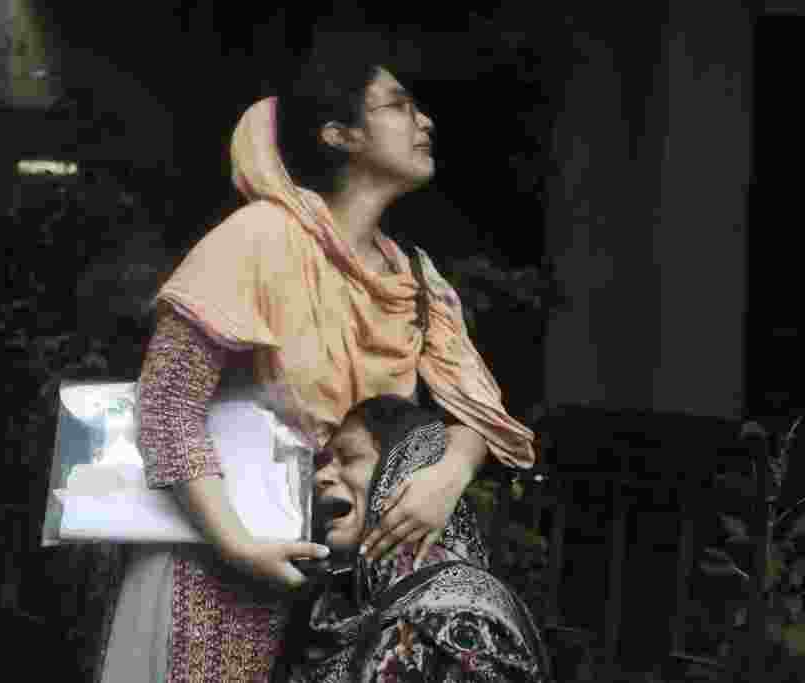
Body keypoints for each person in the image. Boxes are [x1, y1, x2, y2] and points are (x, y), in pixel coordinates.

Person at [98, 33, 539, 683]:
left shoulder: (414, 275)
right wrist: (239, 545)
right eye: (397, 106)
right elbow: (166, 403)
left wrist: (448, 476)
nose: (425, 120)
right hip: (220, 569)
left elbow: (476, 410)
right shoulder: (260, 238)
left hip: (346, 586)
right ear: (340, 135)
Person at [277, 395, 551, 682]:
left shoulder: (465, 614)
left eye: (348, 458)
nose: (320, 476)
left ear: (404, 472)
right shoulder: (333, 609)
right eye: (324, 462)